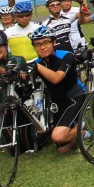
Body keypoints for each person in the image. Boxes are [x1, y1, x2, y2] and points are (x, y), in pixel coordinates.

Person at [29, 26, 86, 154]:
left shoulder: (66, 56)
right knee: (63, 149)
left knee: (57, 136)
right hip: (57, 103)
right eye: (37, 45)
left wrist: (36, 66)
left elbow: (56, 78)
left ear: (54, 42)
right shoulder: (38, 62)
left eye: (46, 42)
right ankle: (77, 130)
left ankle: (85, 132)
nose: (42, 47)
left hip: (74, 97)